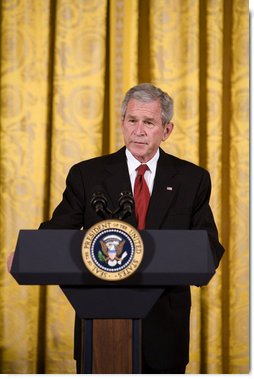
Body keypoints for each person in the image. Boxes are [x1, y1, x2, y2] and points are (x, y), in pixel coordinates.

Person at [39, 83, 224, 374]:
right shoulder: (87, 175)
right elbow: (59, 231)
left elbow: (207, 246)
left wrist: (191, 260)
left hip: (165, 327)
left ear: (166, 130)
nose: (138, 130)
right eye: (132, 120)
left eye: (149, 122)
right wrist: (30, 252)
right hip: (101, 321)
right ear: (123, 123)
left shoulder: (192, 179)